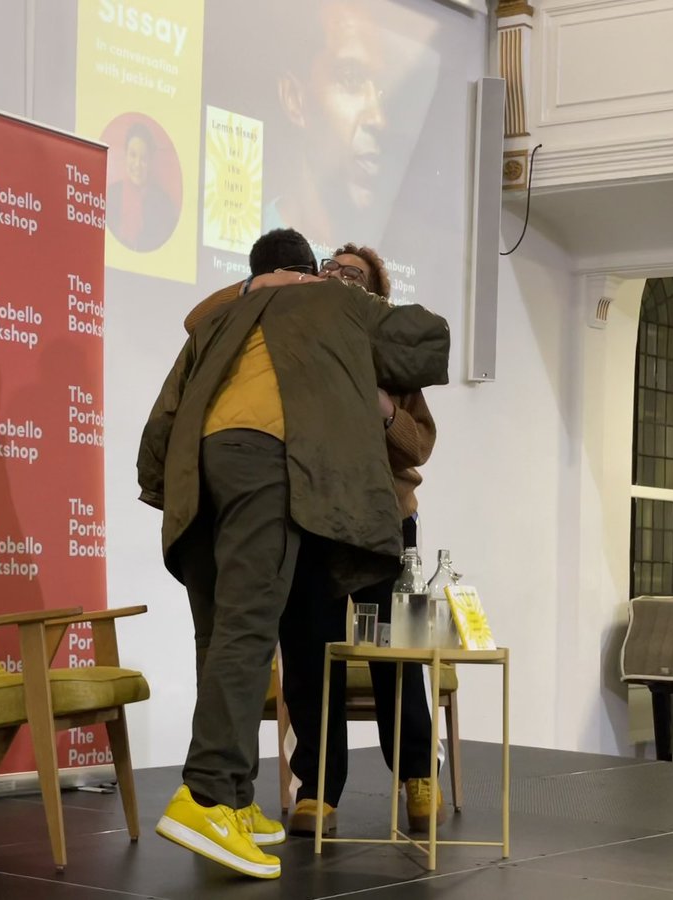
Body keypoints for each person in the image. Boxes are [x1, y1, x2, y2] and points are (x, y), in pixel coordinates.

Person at [138, 228, 450, 879]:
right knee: (251, 629)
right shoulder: (332, 305)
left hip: (196, 477)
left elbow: (165, 416)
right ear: (308, 272)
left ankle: (239, 798)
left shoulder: (220, 314)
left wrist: (164, 489)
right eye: (327, 272)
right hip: (266, 466)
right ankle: (208, 798)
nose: (337, 281)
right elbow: (428, 340)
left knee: (221, 635)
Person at [264, 1, 438, 254]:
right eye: (351, 78)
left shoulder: (392, 260)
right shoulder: (253, 243)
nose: (378, 119)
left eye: (383, 91)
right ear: (294, 99)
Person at [107, 121, 178, 252]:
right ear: (125, 156)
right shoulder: (110, 196)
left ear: (151, 162)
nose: (137, 164)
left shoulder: (164, 205)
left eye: (143, 158)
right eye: (133, 155)